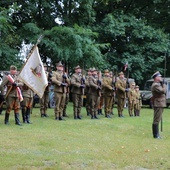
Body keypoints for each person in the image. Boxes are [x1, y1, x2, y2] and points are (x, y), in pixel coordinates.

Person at [151, 71, 166, 139]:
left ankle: (156, 134)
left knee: (158, 118)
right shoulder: (155, 85)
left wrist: (162, 84)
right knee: (156, 119)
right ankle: (156, 135)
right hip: (158, 103)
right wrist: (164, 84)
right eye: (159, 76)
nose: (161, 77)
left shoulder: (157, 84)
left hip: (160, 103)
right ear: (156, 78)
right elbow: (163, 91)